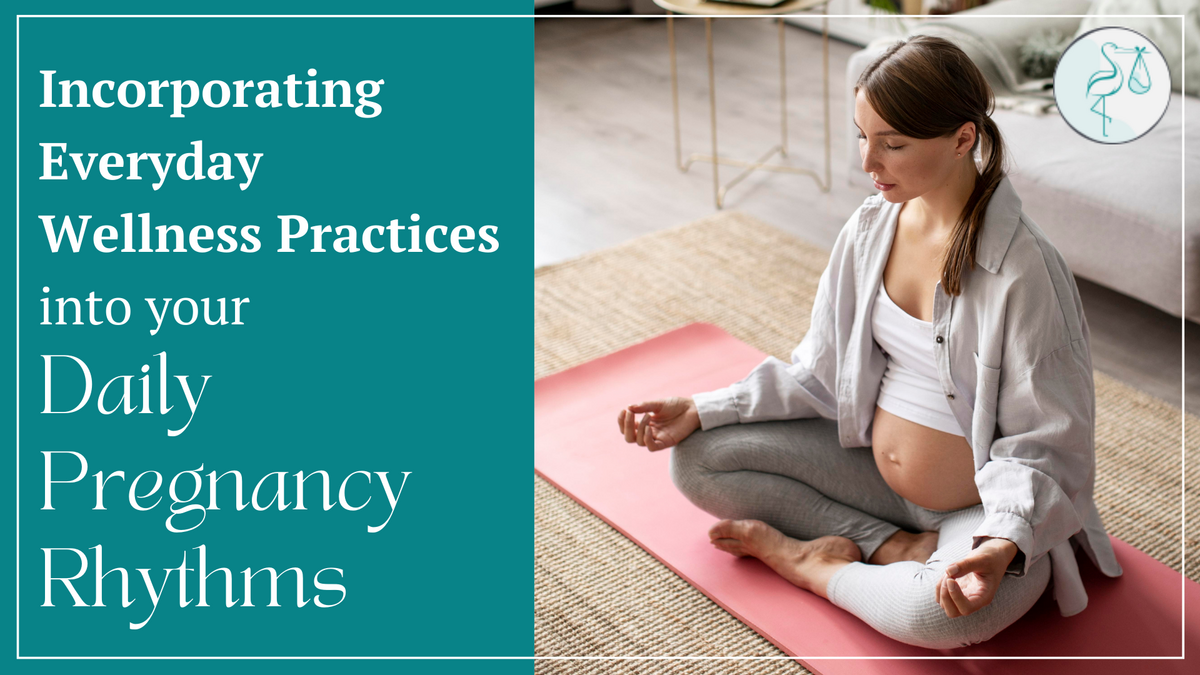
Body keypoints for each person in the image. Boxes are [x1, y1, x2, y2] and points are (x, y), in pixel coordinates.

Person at [614, 35, 1123, 650]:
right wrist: (702, 408)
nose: (867, 161)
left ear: (963, 139)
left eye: (893, 144)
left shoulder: (1023, 271)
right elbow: (821, 371)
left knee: (941, 615)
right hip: (872, 476)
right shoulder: (869, 227)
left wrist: (1001, 545)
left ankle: (817, 566)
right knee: (697, 458)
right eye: (863, 135)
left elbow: (1051, 440)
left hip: (978, 512)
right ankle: (887, 544)